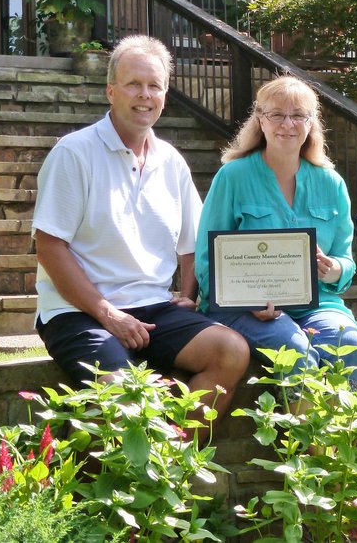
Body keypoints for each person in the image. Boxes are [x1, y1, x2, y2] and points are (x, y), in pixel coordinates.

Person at [32, 35, 250, 440]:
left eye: (154, 85)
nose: (144, 95)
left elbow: (193, 244)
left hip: (154, 308)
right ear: (110, 91)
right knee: (124, 396)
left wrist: (189, 293)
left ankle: (174, 464)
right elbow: (50, 247)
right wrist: (109, 315)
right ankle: (138, 482)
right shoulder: (74, 153)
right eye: (133, 84)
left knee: (231, 351)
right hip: (78, 314)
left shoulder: (171, 160)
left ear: (165, 94)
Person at [194, 75, 357, 388]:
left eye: (298, 115)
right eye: (276, 114)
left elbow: (346, 259)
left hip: (319, 305)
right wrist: (247, 300)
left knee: (350, 345)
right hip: (246, 311)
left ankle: (338, 436)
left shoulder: (332, 183)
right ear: (260, 121)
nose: (287, 124)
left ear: (311, 123)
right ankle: (305, 437)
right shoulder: (232, 177)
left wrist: (332, 268)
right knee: (296, 353)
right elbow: (207, 262)